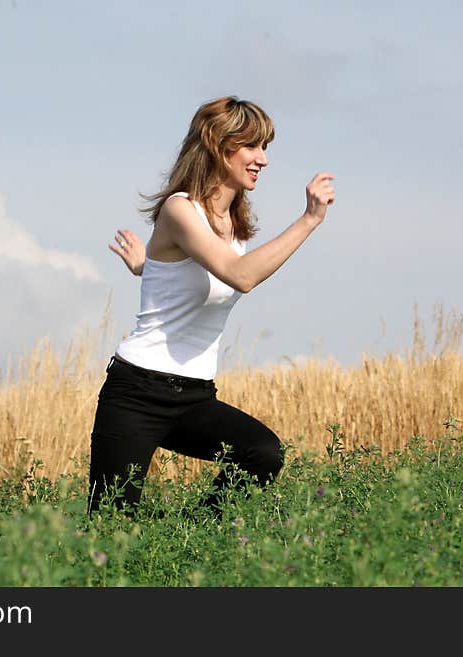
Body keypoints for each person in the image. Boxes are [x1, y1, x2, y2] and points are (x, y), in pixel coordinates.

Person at [88, 95, 335, 516]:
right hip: (137, 393)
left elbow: (185, 276)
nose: (263, 159)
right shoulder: (180, 209)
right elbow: (240, 275)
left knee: (262, 453)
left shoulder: (235, 223)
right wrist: (308, 219)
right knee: (110, 528)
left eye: (265, 148)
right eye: (252, 146)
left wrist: (145, 268)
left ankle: (188, 535)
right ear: (218, 145)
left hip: (194, 397)